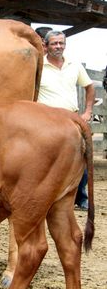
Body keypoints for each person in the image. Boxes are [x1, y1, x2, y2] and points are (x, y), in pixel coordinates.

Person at [38, 30, 95, 210]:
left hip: (72, 121)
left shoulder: (74, 65)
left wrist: (87, 111)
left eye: (61, 43)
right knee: (45, 160)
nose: (58, 47)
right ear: (46, 46)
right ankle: (46, 197)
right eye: (54, 43)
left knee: (81, 160)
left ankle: (81, 196)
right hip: (45, 122)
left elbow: (89, 87)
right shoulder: (38, 66)